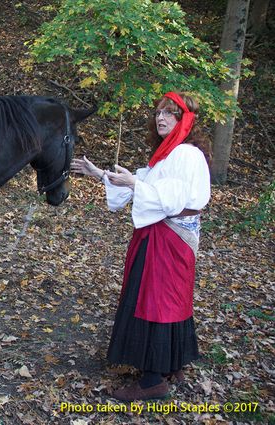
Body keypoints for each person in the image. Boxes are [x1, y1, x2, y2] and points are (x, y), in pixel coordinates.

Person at [71, 92, 211, 401]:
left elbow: (170, 198)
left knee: (156, 299)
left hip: (169, 239)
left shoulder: (185, 154)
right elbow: (142, 181)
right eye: (159, 112)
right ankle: (171, 364)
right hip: (162, 236)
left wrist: (135, 184)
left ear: (184, 120)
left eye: (170, 114)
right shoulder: (168, 153)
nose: (161, 118)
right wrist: (99, 174)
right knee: (166, 298)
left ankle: (152, 381)